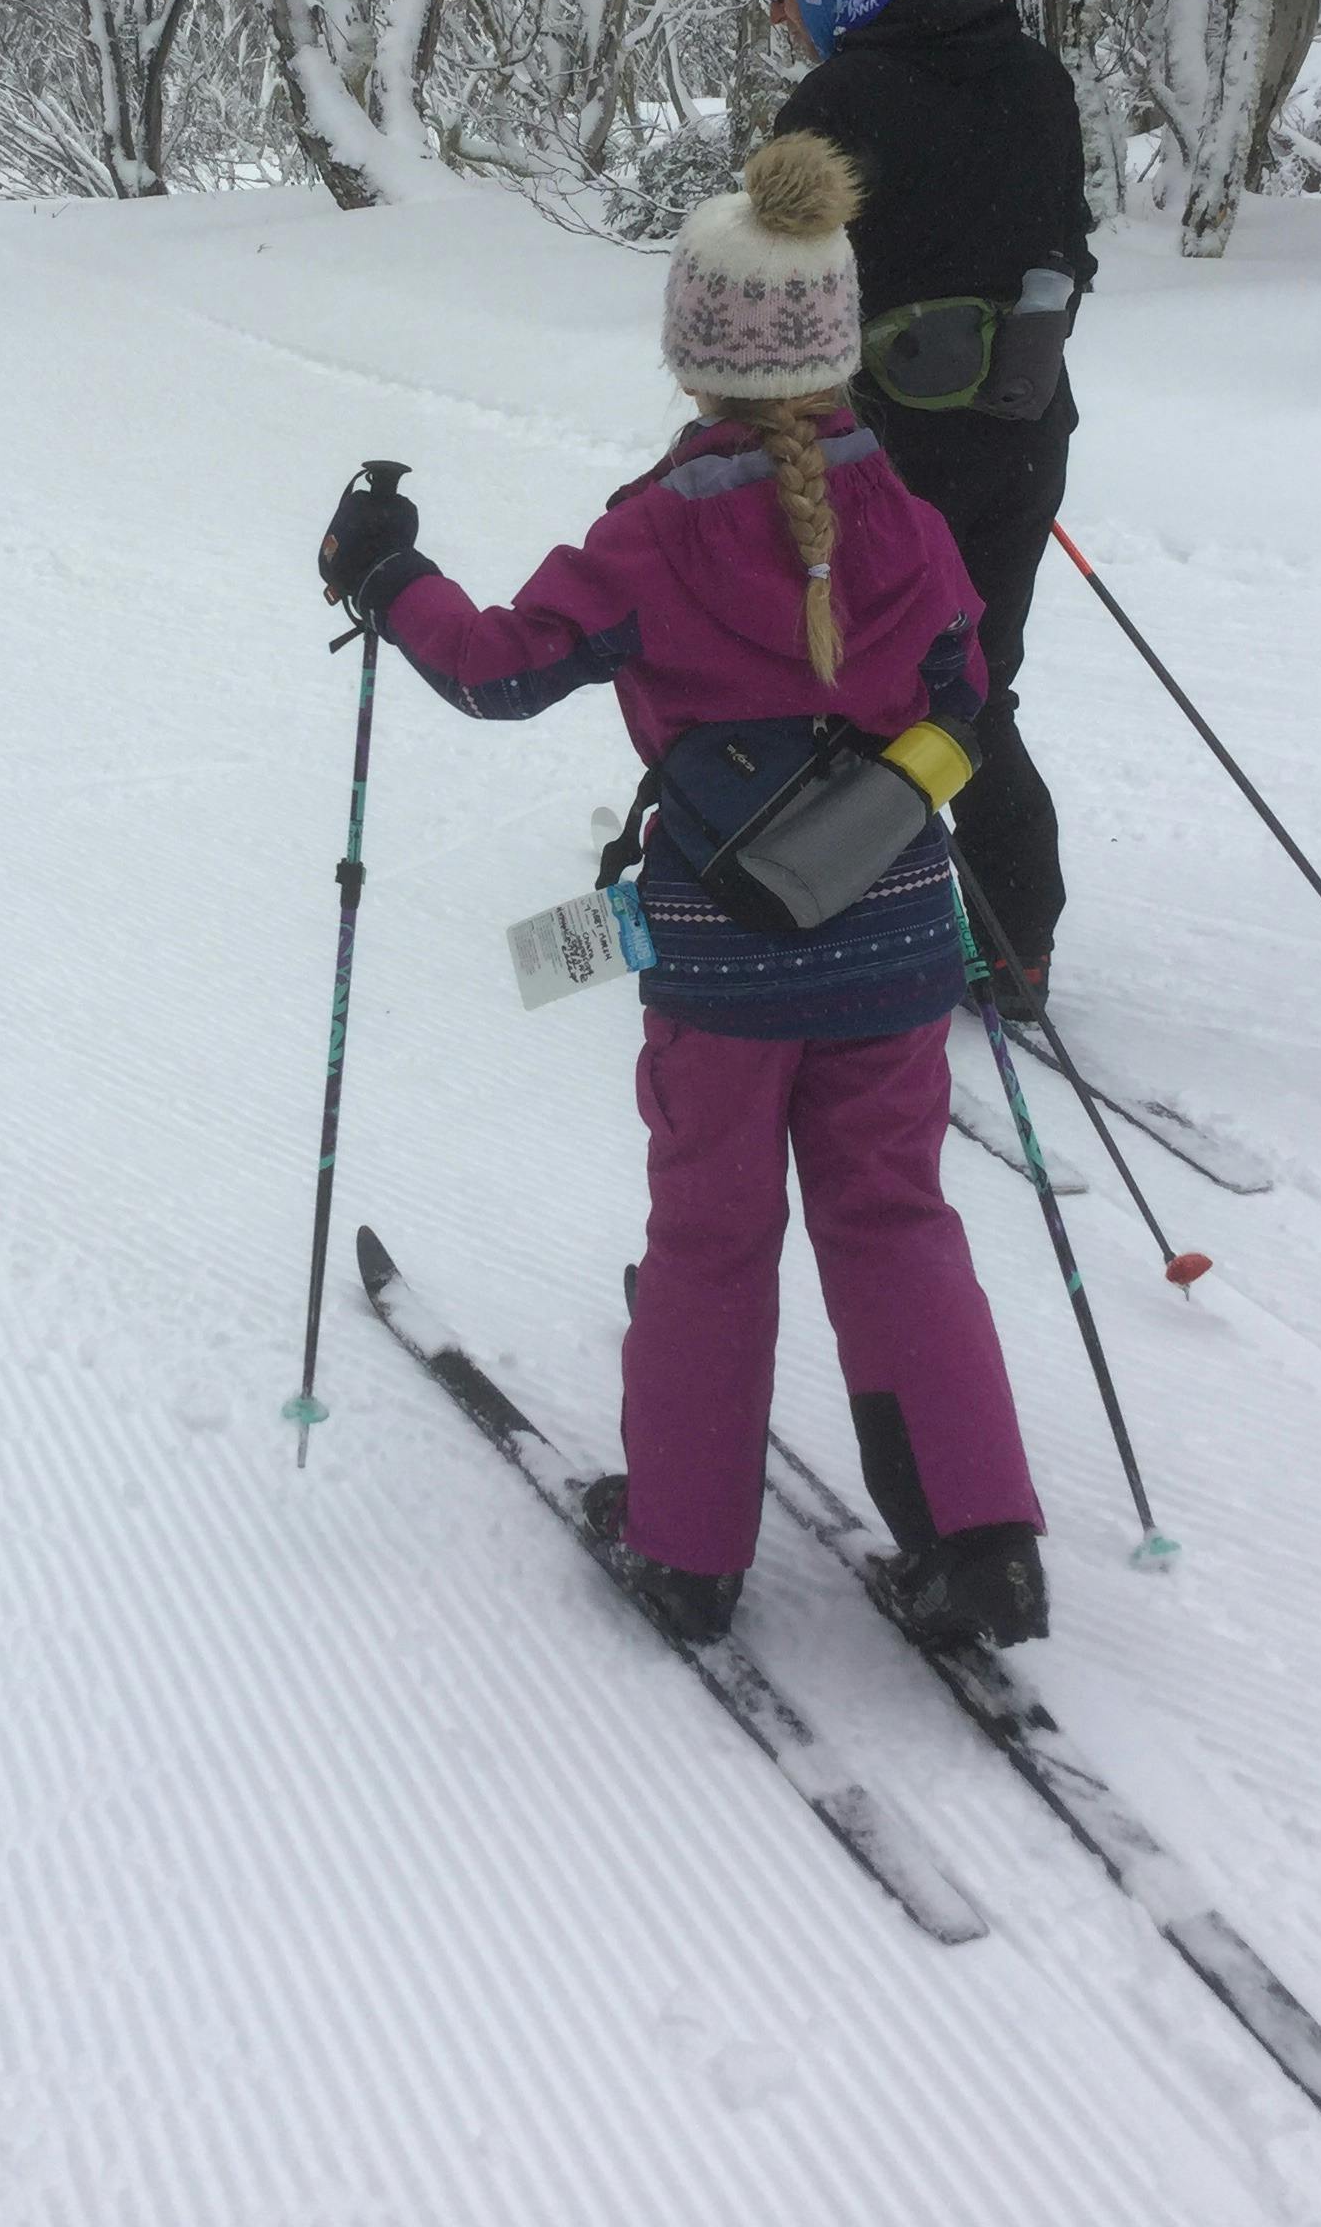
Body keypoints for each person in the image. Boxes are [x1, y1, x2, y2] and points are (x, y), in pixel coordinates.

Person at [315, 134, 1046, 1652]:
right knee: (898, 1217)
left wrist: (390, 580)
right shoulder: (904, 514)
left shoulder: (656, 529)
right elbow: (969, 689)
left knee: (715, 1237)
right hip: (900, 925)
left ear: (693, 351)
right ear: (838, 340)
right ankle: (984, 1548)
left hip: (725, 954)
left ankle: (689, 1554)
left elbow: (506, 670)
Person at [762, 0, 1096, 1019]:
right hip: (1019, 434)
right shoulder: (1029, 69)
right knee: (974, 687)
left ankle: (837, 907)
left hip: (875, 456)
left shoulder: (835, 106)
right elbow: (1072, 251)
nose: (777, 12)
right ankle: (1017, 942)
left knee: (846, 677)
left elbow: (777, 305)